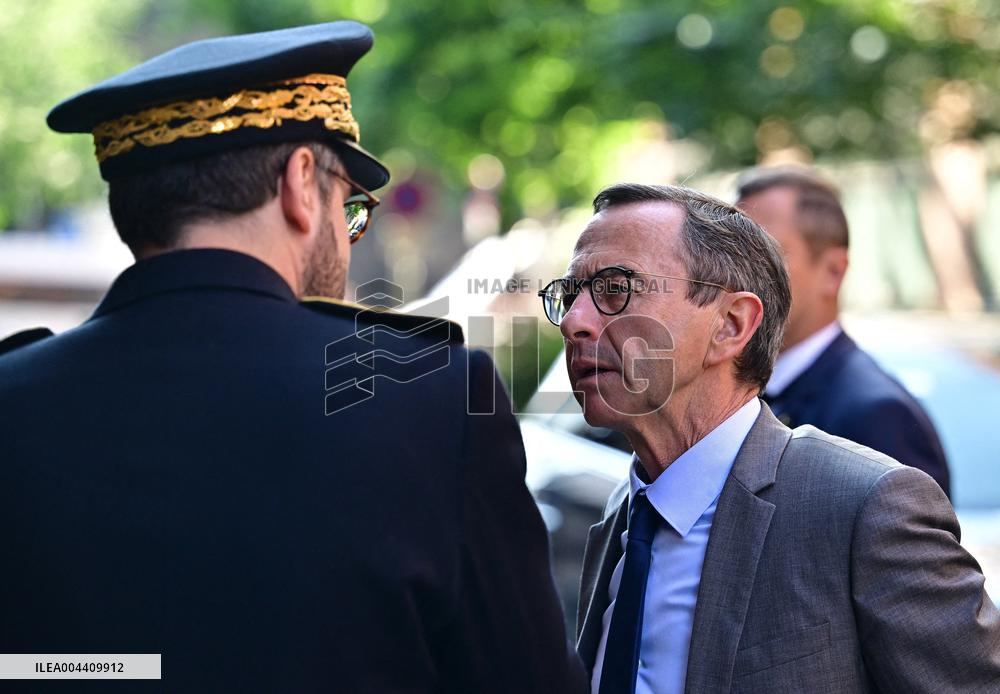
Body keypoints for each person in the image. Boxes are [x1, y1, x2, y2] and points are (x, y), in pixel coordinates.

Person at [0, 22, 584, 693]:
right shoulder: (430, 402)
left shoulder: (12, 401)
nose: (347, 231)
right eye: (349, 206)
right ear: (302, 184)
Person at [538, 183, 1000, 693]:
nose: (575, 322)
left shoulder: (864, 506)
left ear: (732, 325)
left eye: (614, 289)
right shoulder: (621, 515)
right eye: (569, 294)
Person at [735, 166, 951, 496]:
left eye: (765, 254)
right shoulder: (744, 389)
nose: (736, 274)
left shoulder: (877, 416)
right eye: (733, 254)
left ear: (833, 272)